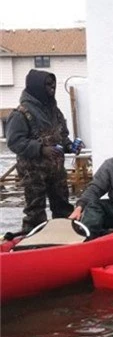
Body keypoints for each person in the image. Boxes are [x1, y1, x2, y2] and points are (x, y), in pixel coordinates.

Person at [5, 69, 78, 233]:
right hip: (33, 172)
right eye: (47, 85)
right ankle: (32, 240)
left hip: (56, 170)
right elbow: (14, 142)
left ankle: (65, 235)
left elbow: (62, 135)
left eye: (53, 85)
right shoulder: (20, 113)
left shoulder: (55, 111)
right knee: (35, 211)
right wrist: (40, 149)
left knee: (63, 206)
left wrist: (70, 146)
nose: (52, 88)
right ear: (37, 87)